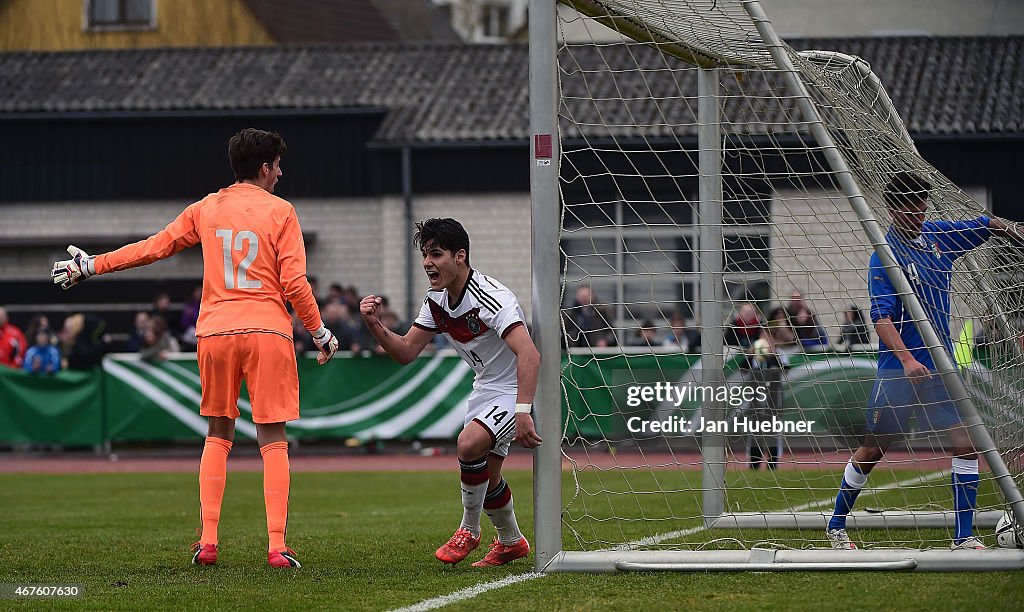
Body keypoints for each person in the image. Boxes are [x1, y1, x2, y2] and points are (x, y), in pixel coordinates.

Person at [51, 128, 340, 569]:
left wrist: (92, 264)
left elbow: (152, 249)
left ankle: (208, 542)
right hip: (267, 332)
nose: (281, 173)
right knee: (273, 438)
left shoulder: (207, 207)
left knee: (218, 433)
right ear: (264, 168)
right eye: (278, 165)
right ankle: (277, 546)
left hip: (216, 332)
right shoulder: (282, 211)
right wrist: (319, 332)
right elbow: (295, 283)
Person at [825, 172, 1023, 551]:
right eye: (911, 209)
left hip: (941, 366)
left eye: (922, 207)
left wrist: (1010, 227)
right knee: (874, 449)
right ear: (894, 209)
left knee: (966, 444)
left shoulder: (938, 236)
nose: (919, 215)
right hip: (900, 370)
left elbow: (984, 224)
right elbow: (881, 319)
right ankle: (836, 525)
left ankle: (963, 538)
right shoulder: (885, 256)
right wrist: (907, 360)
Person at [360, 218, 541, 567]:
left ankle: (468, 531)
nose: (428, 262)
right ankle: (511, 541)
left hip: (514, 386)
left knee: (468, 444)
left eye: (436, 254)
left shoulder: (490, 296)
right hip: (485, 388)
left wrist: (523, 409)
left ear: (460, 256)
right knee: (487, 478)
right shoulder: (436, 301)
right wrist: (374, 324)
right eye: (425, 255)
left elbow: (530, 354)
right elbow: (406, 352)